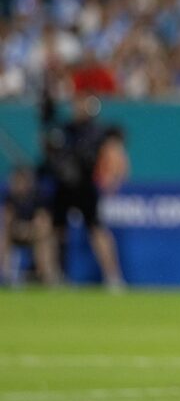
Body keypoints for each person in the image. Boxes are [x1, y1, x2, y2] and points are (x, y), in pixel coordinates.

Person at [42, 91, 127, 289]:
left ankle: (113, 277)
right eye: (76, 104)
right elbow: (50, 152)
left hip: (85, 186)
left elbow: (105, 156)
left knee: (97, 229)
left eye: (82, 104)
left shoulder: (96, 131)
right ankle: (53, 276)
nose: (78, 108)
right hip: (63, 186)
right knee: (55, 230)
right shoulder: (65, 128)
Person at [1, 165, 59, 286]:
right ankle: (5, 275)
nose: (20, 184)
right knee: (2, 238)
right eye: (17, 181)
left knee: (46, 240)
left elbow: (44, 222)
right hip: (15, 233)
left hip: (34, 234)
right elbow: (7, 221)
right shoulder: (10, 197)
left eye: (22, 180)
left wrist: (29, 230)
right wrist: (18, 229)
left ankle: (47, 277)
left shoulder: (37, 197)